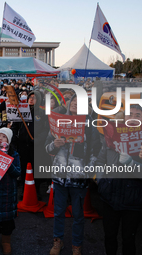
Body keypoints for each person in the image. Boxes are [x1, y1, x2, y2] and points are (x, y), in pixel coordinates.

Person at [45, 94, 101, 255]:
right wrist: (54, 145)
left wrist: (88, 171)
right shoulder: (59, 120)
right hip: (60, 174)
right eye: (73, 101)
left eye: (79, 102)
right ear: (69, 104)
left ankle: (77, 244)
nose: (75, 104)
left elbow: (95, 150)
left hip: (79, 177)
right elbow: (46, 147)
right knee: (58, 211)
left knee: (78, 213)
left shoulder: (89, 124)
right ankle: (58, 241)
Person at [96, 105, 142, 255]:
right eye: (129, 114)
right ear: (123, 117)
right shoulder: (111, 136)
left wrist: (132, 164)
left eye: (137, 115)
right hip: (109, 197)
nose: (132, 118)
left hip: (133, 202)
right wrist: (101, 182)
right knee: (110, 237)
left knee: (129, 240)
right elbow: (100, 161)